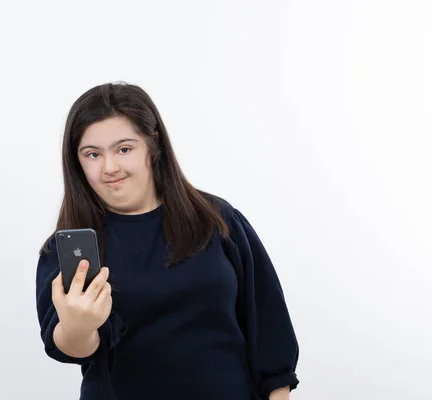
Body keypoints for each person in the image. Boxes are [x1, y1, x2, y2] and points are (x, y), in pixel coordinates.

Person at [35, 82, 299, 400]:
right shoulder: (69, 251)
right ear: (78, 162)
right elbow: (72, 348)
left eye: (124, 149)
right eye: (93, 154)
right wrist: (78, 326)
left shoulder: (216, 218)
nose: (109, 167)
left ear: (152, 144)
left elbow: (268, 323)